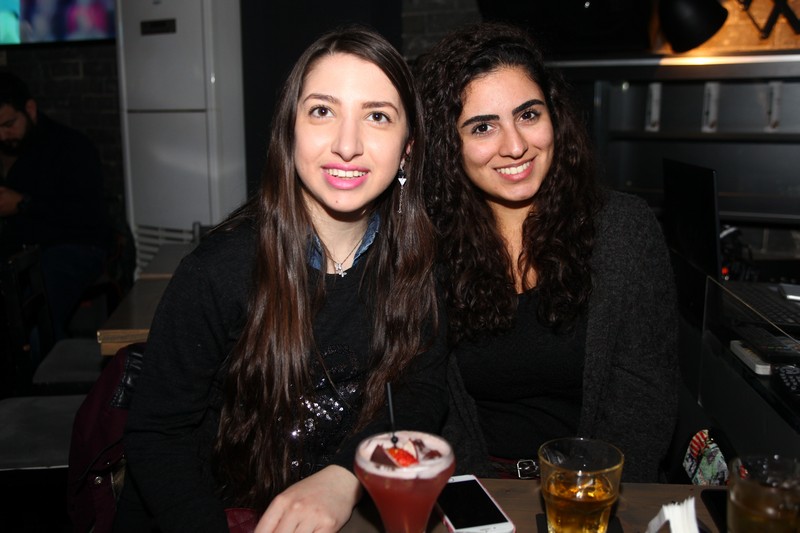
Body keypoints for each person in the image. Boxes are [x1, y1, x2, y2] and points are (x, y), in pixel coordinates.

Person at [113, 26, 447, 532]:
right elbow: (158, 436)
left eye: (377, 116)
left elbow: (421, 394)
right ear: (289, 132)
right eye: (322, 111)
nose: (348, 144)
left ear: (407, 150)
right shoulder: (220, 270)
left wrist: (346, 475)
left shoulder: (417, 264)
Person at [417, 22, 679, 483]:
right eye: (483, 127)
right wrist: (480, 498)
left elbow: (644, 396)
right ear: (447, 144)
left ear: (553, 115)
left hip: (594, 484)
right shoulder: (425, 245)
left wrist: (587, 491)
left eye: (528, 115)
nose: (516, 145)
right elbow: (428, 404)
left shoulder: (623, 229)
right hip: (473, 485)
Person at [0, 71, 111, 342]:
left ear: (30, 109)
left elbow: (88, 216)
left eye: (9, 124)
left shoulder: (71, 147)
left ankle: (44, 363)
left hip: (71, 246)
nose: (3, 135)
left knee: (38, 312)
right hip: (17, 250)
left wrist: (23, 204)